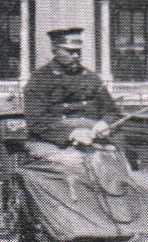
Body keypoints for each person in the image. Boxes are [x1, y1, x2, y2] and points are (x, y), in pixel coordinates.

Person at [22, 26, 119, 155]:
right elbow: (36, 121)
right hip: (52, 142)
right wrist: (70, 134)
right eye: (70, 51)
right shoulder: (40, 79)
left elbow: (112, 112)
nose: (76, 56)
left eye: (78, 51)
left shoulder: (92, 77)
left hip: (93, 140)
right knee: (74, 164)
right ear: (55, 50)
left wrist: (105, 123)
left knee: (114, 162)